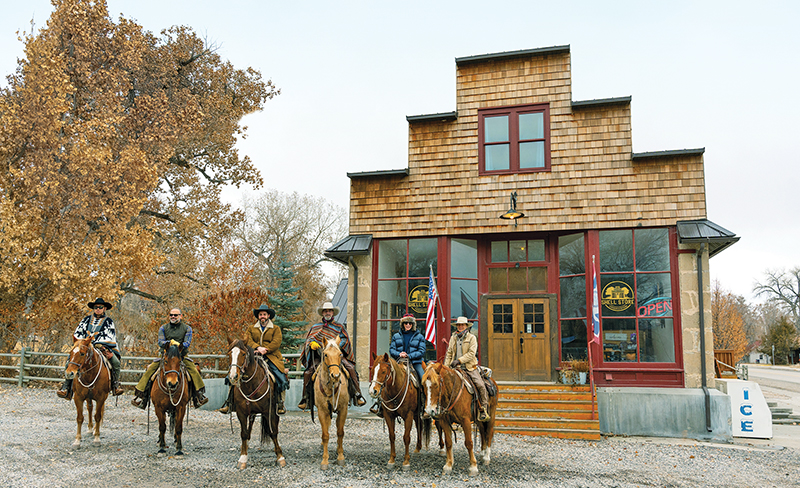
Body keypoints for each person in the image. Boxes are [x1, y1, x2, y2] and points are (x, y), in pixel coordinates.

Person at [130, 308, 208, 409]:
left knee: (194, 370)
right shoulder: (163, 328)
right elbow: (160, 342)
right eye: (171, 315)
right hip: (165, 356)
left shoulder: (187, 328)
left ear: (181, 316)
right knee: (150, 370)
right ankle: (142, 398)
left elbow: (187, 343)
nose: (173, 317)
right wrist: (169, 344)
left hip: (181, 356)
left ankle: (198, 397)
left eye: (175, 315)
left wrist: (178, 345)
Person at [218, 304, 288, 415]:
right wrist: (257, 347)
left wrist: (266, 349)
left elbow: (277, 342)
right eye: (260, 315)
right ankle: (229, 402)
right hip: (254, 355)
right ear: (258, 316)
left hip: (271, 357)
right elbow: (247, 340)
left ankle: (280, 402)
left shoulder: (276, 328)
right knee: (233, 376)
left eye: (264, 314)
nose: (262, 316)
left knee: (280, 378)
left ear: (268, 315)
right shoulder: (251, 328)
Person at [297, 301, 367, 410]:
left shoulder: (339, 327)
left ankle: (357, 394)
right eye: (325, 311)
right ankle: (306, 398)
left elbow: (345, 340)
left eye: (329, 311)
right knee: (308, 372)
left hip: (336, 355)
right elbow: (309, 339)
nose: (327, 313)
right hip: (320, 355)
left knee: (350, 368)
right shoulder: (316, 327)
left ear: (333, 313)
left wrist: (335, 346)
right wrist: (311, 344)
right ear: (323, 313)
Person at [57, 298, 124, 399]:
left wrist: (98, 344)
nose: (98, 309)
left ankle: (115, 385)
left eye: (100, 307)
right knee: (70, 361)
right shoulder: (86, 320)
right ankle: (66, 388)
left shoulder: (109, 322)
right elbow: (78, 333)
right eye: (96, 307)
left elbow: (110, 336)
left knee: (116, 362)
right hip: (84, 345)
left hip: (101, 346)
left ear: (104, 308)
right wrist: (83, 342)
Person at [443, 316, 489, 422]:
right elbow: (449, 353)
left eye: (462, 325)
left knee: (481, 385)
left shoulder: (472, 338)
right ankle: (441, 409)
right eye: (459, 325)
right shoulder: (453, 337)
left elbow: (472, 354)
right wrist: (446, 367)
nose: (460, 327)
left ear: (466, 326)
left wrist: (459, 360)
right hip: (454, 368)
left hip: (469, 368)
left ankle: (483, 409)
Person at [390, 313, 426, 381]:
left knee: (423, 380)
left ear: (413, 324)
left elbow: (422, 351)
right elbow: (392, 349)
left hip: (415, 363)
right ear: (403, 324)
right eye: (406, 323)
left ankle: (423, 391)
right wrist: (399, 354)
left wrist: (409, 355)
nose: (408, 325)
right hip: (399, 362)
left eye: (410, 323)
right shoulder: (396, 336)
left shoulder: (420, 336)